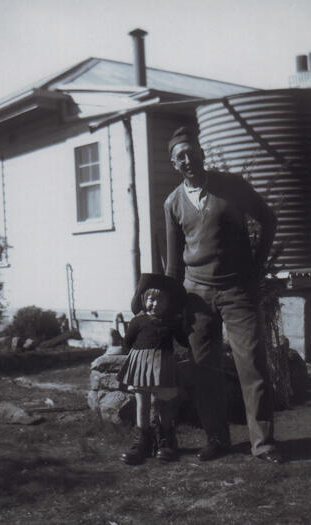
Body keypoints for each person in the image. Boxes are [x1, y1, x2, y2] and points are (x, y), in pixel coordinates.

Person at [164, 125, 283, 463]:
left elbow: (269, 220)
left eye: (191, 152)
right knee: (205, 369)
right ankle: (217, 438)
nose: (188, 160)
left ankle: (263, 443)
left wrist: (256, 268)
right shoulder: (172, 203)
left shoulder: (232, 187)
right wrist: (175, 307)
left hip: (237, 290)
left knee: (252, 364)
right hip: (196, 296)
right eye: (180, 156)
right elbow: (173, 263)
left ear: (201, 152)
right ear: (174, 164)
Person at [118, 273, 188, 465]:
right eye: (150, 299)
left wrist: (185, 324)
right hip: (141, 365)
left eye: (160, 300)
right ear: (143, 299)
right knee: (143, 403)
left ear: (168, 303)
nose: (154, 304)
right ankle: (142, 441)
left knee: (164, 404)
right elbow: (128, 342)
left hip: (163, 366)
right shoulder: (137, 322)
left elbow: (184, 340)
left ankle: (165, 440)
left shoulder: (172, 322)